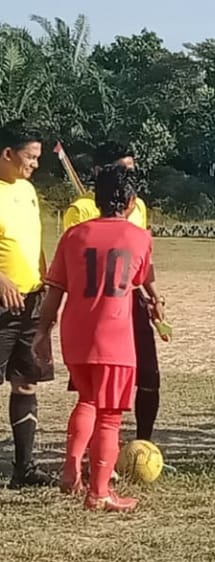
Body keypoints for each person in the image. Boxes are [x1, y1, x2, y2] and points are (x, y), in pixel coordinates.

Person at [35, 165, 153, 511]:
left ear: (95, 199)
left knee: (86, 399)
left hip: (76, 334)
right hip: (114, 337)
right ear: (131, 202)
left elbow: (54, 292)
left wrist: (43, 332)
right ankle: (99, 492)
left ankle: (71, 471)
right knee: (110, 414)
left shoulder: (73, 235)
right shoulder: (140, 237)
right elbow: (140, 280)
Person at [61, 142, 169, 447]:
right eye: (124, 169)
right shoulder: (81, 209)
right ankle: (94, 452)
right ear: (102, 172)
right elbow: (78, 261)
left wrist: (155, 297)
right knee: (94, 391)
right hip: (95, 305)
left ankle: (142, 446)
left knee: (148, 375)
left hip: (130, 299)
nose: (129, 175)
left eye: (132, 170)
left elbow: (143, 260)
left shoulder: (139, 205)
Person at [0, 121, 54, 489]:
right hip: (2, 304)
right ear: (7, 154)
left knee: (26, 383)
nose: (34, 164)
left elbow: (32, 241)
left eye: (37, 157)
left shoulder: (29, 190)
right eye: (29, 157)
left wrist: (47, 277)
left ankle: (24, 468)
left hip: (32, 300)